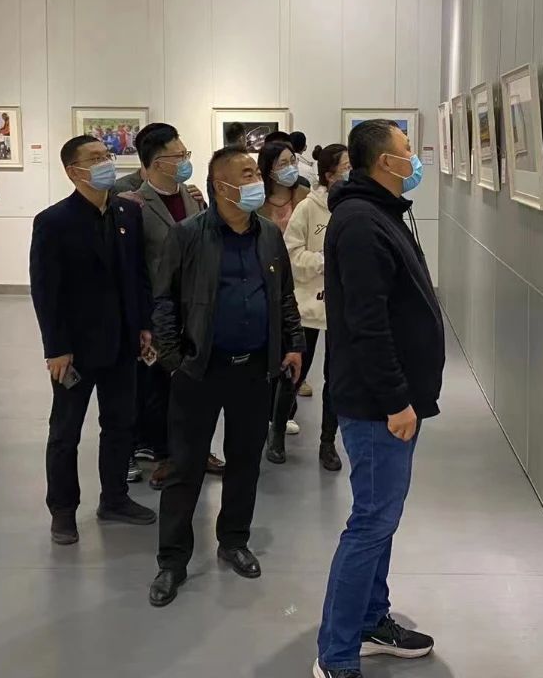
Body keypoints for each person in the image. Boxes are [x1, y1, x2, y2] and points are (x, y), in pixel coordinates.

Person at [314, 120, 445, 678]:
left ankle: (370, 620)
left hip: (390, 400)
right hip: (377, 406)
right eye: (407, 150)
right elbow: (367, 324)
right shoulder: (361, 223)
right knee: (370, 523)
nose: (415, 158)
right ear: (384, 163)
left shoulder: (381, 213)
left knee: (381, 519)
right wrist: (396, 400)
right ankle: (336, 654)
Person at [148, 145, 305, 608]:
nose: (258, 179)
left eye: (256, 171)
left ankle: (234, 539)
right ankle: (172, 560)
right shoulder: (187, 235)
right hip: (200, 369)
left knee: (245, 461)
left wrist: (293, 343)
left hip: (254, 369)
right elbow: (164, 302)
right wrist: (175, 360)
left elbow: (284, 295)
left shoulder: (269, 235)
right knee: (185, 467)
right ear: (222, 186)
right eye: (248, 173)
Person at [30, 135, 158, 546]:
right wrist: (55, 348)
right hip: (76, 348)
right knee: (65, 432)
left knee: (120, 424)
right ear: (74, 171)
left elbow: (137, 275)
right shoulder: (53, 222)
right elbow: (45, 291)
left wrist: (143, 325)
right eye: (96, 158)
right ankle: (63, 510)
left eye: (107, 156)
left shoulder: (127, 212)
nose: (107, 163)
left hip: (122, 342)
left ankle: (115, 498)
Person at [127, 123, 225, 489]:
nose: (185, 161)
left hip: (197, 307)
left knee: (198, 385)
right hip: (159, 311)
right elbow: (135, 266)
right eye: (178, 156)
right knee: (159, 389)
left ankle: (199, 449)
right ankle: (165, 455)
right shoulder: (134, 205)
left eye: (186, 154)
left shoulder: (194, 198)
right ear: (156, 163)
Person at [273, 143, 349, 469]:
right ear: (329, 175)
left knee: (336, 378)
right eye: (346, 167)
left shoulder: (353, 208)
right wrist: (324, 261)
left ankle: (327, 442)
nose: (352, 172)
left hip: (342, 308)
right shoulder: (307, 208)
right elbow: (290, 254)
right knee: (294, 372)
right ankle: (277, 434)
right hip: (306, 307)